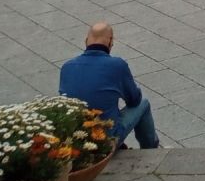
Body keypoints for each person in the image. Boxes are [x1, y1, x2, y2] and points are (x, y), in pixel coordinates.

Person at [59, 22, 160, 150]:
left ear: (86, 41)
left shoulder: (67, 67)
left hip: (78, 138)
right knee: (143, 104)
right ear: (110, 42)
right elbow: (134, 100)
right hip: (106, 139)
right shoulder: (116, 65)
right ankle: (151, 149)